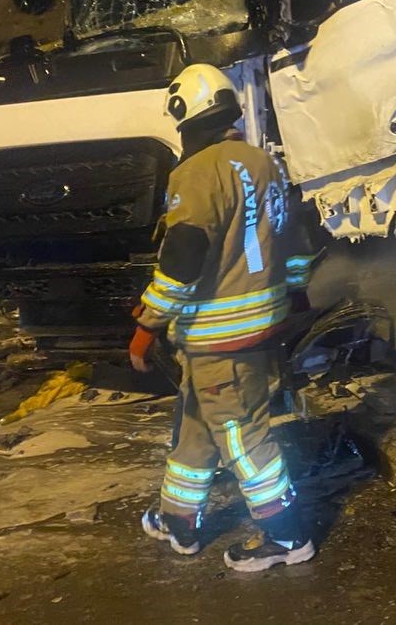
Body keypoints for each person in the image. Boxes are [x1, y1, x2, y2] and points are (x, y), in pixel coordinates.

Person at [129, 63, 316, 569]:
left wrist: (148, 323)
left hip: (220, 341)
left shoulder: (195, 172)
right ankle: (179, 521)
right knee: (196, 429)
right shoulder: (262, 163)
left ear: (184, 115)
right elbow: (295, 240)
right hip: (259, 329)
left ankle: (287, 535)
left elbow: (183, 257)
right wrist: (294, 294)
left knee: (240, 436)